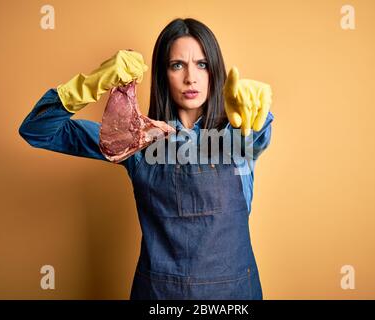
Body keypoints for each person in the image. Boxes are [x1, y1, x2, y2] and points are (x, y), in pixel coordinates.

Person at [19, 17, 274, 300]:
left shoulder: (239, 135)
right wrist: (90, 84)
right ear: (163, 74)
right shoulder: (136, 139)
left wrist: (254, 122)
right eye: (177, 65)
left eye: (202, 64)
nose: (191, 77)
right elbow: (37, 130)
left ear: (215, 71)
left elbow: (257, 137)